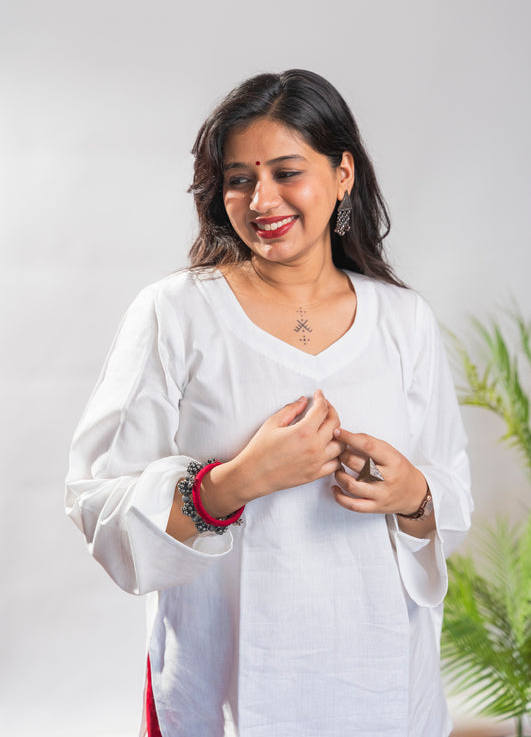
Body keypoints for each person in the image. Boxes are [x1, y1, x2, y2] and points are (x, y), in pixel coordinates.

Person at [66, 69, 473, 737]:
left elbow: (449, 488)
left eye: (287, 172)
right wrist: (233, 483)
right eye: (239, 179)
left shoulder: (404, 320)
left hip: (382, 683)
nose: (261, 200)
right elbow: (95, 502)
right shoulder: (176, 314)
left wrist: (414, 496)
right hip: (226, 689)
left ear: (342, 173)